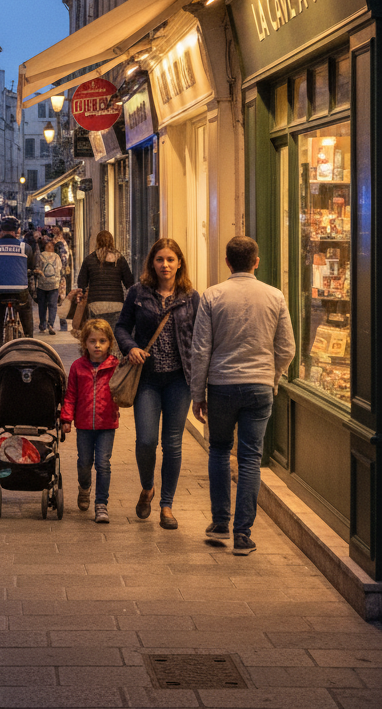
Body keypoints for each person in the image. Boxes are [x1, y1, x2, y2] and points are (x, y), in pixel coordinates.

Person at [190, 236, 295, 556]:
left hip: (222, 385)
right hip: (259, 387)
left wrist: (198, 393)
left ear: (227, 262)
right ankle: (243, 534)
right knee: (250, 458)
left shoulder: (212, 295)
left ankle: (220, 522)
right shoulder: (275, 296)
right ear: (256, 262)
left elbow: (200, 349)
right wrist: (272, 378)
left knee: (219, 450)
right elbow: (287, 348)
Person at [114, 238, 200, 531]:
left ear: (179, 263)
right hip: (147, 379)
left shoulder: (191, 297)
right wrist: (130, 347)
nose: (165, 265)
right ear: (152, 262)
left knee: (173, 443)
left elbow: (200, 338)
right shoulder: (138, 293)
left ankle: (166, 505)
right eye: (160, 259)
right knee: (146, 441)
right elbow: (122, 327)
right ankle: (148, 486)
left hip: (179, 380)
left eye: (171, 259)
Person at [61, 318, 120, 524]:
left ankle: (101, 504)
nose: (97, 346)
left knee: (103, 464)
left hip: (107, 424)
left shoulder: (115, 366)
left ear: (109, 343)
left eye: (102, 341)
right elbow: (70, 395)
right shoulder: (77, 367)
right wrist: (66, 418)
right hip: (84, 425)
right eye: (92, 341)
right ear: (84, 343)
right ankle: (84, 487)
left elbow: (123, 389)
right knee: (84, 463)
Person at [0, 216, 36, 355]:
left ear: (0, 231)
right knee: (27, 312)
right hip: (19, 291)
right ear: (17, 231)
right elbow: (31, 266)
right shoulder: (25, 247)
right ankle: (29, 342)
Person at [71, 230, 134, 333]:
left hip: (96, 304)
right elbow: (129, 282)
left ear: (97, 242)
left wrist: (82, 293)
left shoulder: (90, 259)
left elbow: (81, 282)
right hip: (117, 303)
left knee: (97, 334)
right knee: (113, 335)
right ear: (112, 242)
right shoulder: (120, 259)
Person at [35, 240, 63, 335]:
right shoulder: (56, 256)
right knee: (53, 305)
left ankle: (42, 325)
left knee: (42, 305)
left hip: (42, 284)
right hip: (54, 284)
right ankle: (51, 324)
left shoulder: (40, 256)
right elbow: (59, 269)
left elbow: (37, 268)